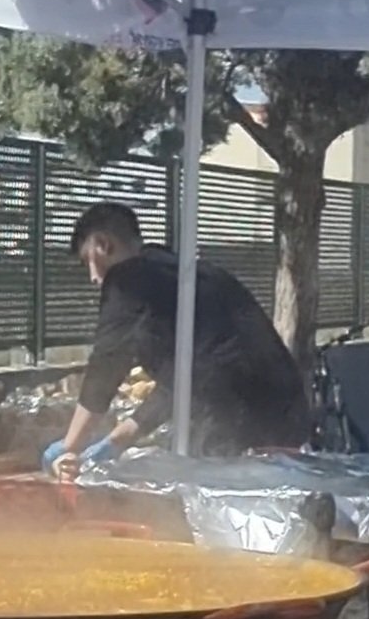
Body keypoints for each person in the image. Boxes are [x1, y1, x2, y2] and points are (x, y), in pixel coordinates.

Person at [42, 202, 308, 479]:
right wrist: (116, 441)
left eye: (87, 261)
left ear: (103, 245)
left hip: (236, 417)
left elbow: (107, 365)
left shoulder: (128, 278)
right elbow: (182, 380)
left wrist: (70, 446)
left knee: (214, 495)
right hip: (286, 415)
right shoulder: (185, 274)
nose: (93, 278)